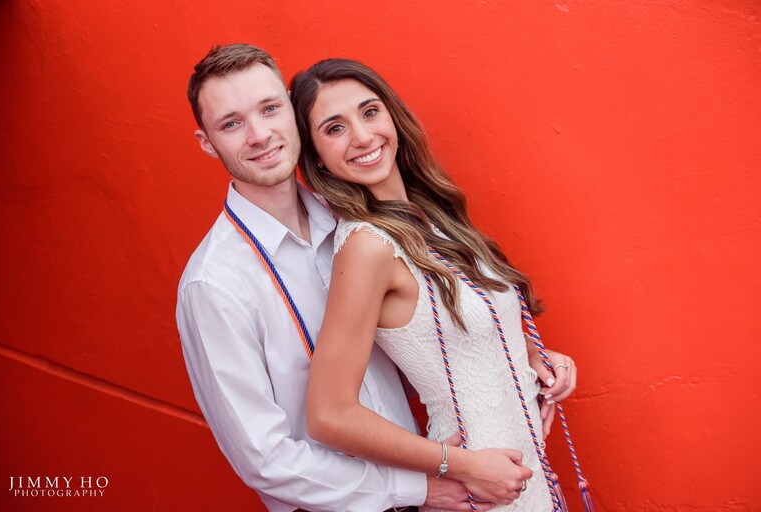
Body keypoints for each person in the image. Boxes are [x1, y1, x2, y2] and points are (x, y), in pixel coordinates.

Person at [176, 44, 575, 512]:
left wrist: (522, 356)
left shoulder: (357, 217)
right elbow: (265, 460)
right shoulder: (214, 285)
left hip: (460, 478)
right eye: (231, 123)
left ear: (291, 114)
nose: (260, 135)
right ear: (207, 141)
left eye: (269, 109)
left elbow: (423, 329)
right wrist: (421, 485)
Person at [290, 59, 577, 511]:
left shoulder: (433, 218)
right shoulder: (367, 246)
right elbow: (329, 414)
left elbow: (455, 333)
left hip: (520, 474)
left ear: (392, 116)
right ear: (316, 156)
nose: (362, 137)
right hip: (477, 484)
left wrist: (535, 359)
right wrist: (459, 465)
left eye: (369, 112)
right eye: (335, 128)